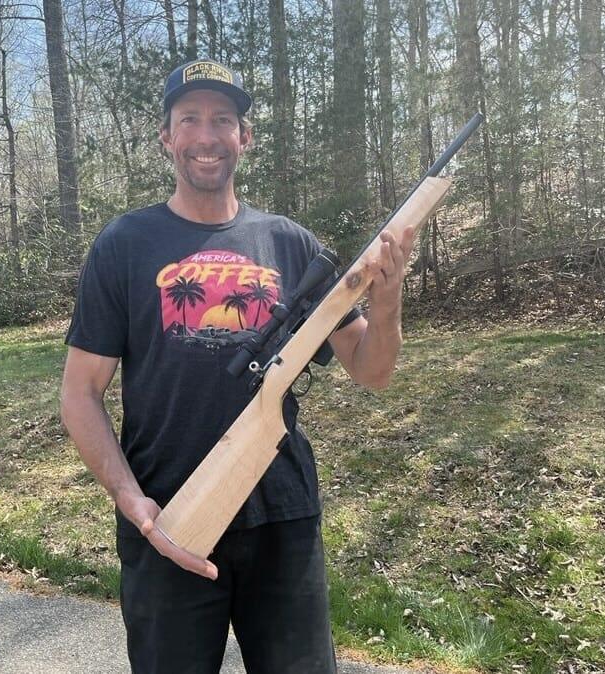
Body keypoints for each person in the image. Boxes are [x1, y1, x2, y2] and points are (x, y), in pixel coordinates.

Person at [60, 58, 414, 674]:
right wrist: (132, 501)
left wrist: (387, 298)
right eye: (189, 119)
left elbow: (372, 368)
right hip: (169, 519)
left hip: (282, 518)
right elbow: (80, 394)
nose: (206, 135)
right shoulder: (123, 245)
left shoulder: (291, 245)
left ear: (244, 138)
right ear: (166, 137)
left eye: (223, 120)